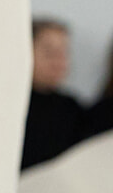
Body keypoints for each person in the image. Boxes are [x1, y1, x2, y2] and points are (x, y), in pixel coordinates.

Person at [21, 18, 85, 169]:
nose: (59, 61)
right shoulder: (10, 106)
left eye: (64, 52)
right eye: (49, 52)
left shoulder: (72, 109)